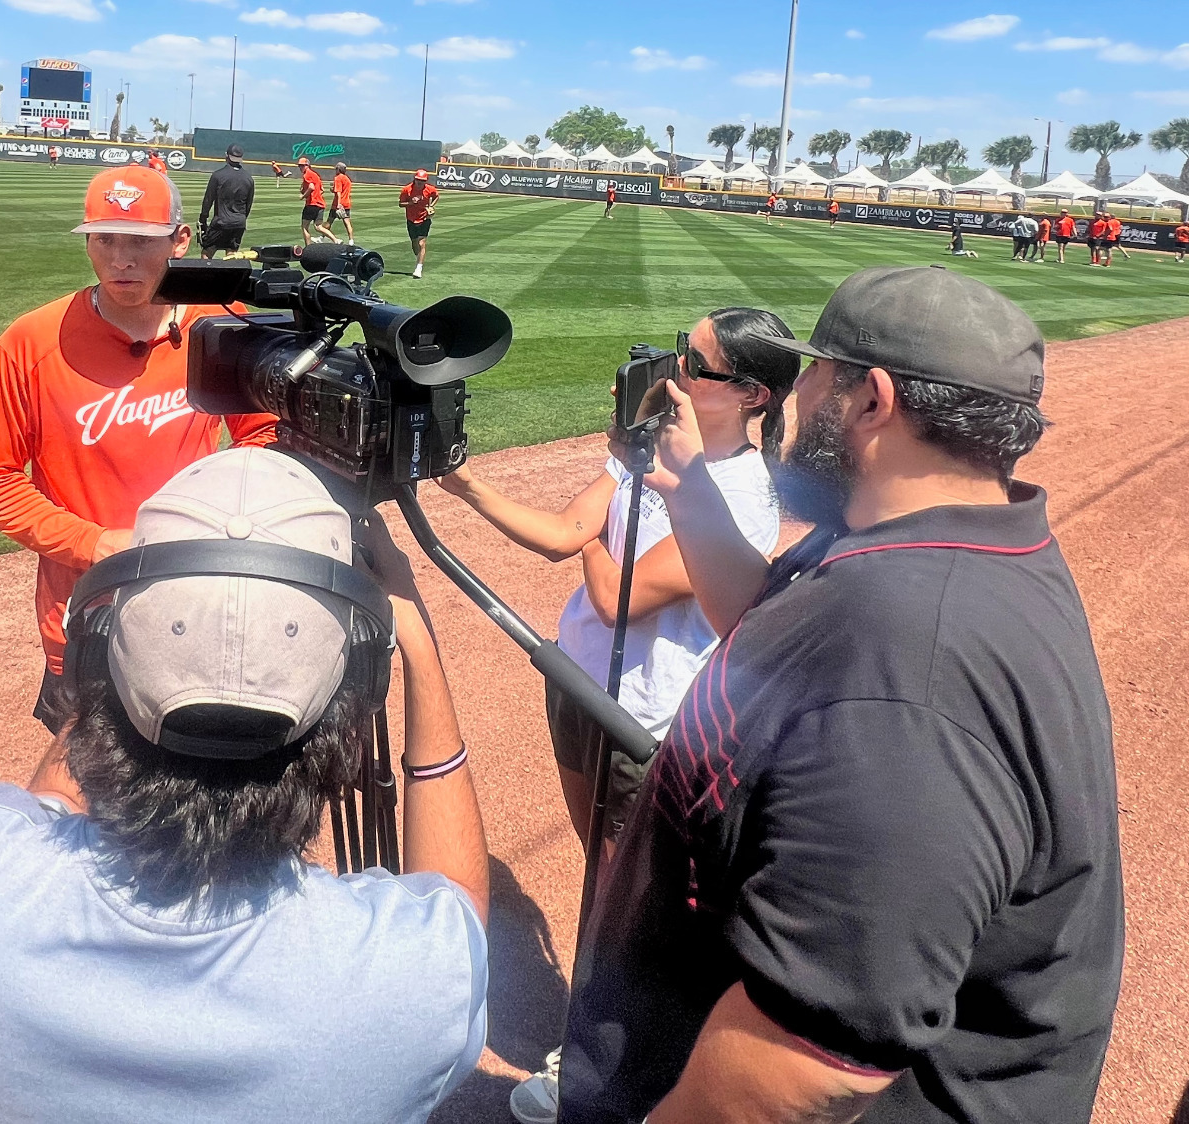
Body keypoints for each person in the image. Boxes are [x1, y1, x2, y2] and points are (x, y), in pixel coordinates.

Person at [555, 265, 1122, 1124]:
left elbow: (806, 1067)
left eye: (814, 371)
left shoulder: (909, 670)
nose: (795, 394)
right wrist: (689, 488)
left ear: (871, 402)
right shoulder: (924, 539)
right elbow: (773, 618)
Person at [0, 446, 492, 1122]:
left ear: (98, 661)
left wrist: (101, 662)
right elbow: (459, 904)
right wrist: (415, 640)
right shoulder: (408, 985)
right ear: (357, 702)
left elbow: (52, 801)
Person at [438, 310, 794, 849]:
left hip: (639, 719)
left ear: (752, 395)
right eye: (681, 347)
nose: (677, 368)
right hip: (576, 677)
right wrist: (467, 486)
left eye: (696, 364)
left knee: (619, 878)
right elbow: (562, 534)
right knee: (591, 848)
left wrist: (596, 536)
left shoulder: (741, 497)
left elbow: (613, 598)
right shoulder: (651, 444)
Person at [0, 165, 277, 734]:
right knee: (86, 800)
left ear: (180, 241)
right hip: (85, 615)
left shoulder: (221, 328)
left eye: (140, 241)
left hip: (201, 602)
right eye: (104, 239)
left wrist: (232, 515)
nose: (120, 259)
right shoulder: (30, 343)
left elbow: (262, 435)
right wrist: (94, 542)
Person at [197, 142, 255, 257]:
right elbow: (248, 205)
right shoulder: (249, 179)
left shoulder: (218, 175)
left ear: (226, 156)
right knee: (232, 255)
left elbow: (208, 200)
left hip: (221, 222)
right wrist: (241, 219)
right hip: (239, 223)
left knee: (207, 253)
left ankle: (206, 275)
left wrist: (203, 220)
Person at [400, 168, 439, 279]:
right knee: (414, 243)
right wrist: (411, 203)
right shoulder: (406, 190)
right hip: (411, 219)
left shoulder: (429, 189)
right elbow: (400, 204)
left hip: (424, 219)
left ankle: (419, 268)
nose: (420, 182)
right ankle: (419, 258)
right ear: (414, 179)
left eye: (422, 181)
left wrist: (431, 206)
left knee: (422, 243)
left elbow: (436, 196)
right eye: (418, 180)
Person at [298, 155, 331, 243]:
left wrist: (304, 196)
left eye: (302, 165)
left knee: (304, 226)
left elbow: (311, 187)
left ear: (307, 165)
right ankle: (336, 240)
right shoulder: (315, 175)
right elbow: (322, 190)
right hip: (320, 204)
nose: (300, 167)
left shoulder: (307, 175)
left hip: (311, 204)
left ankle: (308, 248)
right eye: (299, 165)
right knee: (318, 227)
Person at [330, 160, 356, 243]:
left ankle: (321, 237)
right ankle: (351, 240)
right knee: (347, 222)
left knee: (329, 222)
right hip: (347, 203)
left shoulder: (337, 178)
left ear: (338, 169)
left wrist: (338, 204)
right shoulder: (347, 179)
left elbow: (338, 192)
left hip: (338, 203)